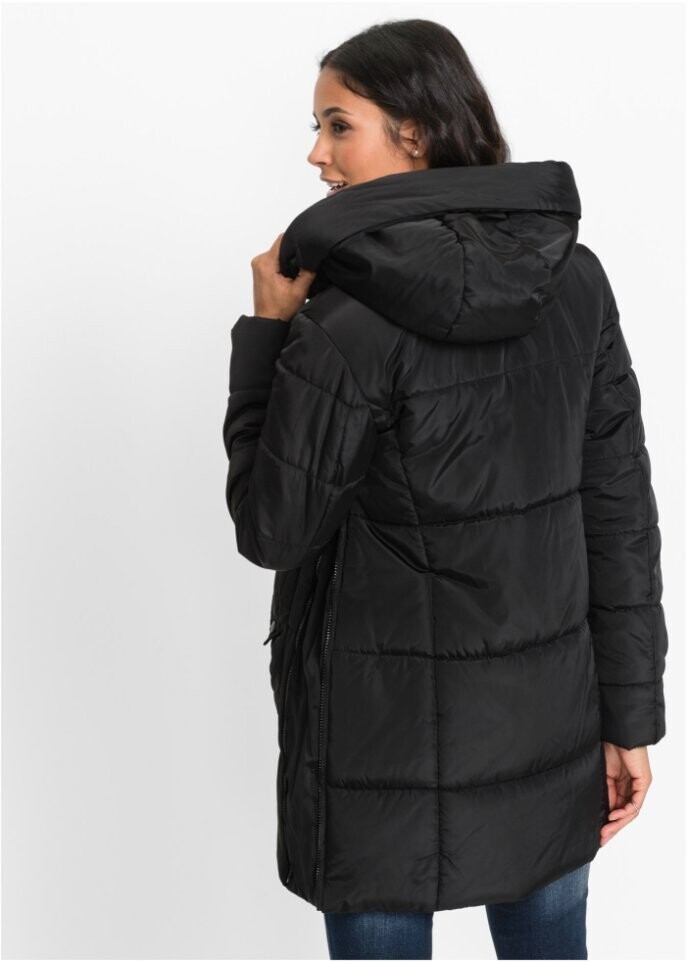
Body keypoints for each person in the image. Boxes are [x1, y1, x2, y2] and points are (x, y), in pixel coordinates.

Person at [222, 18, 668, 961]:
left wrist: (265, 332)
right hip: (548, 730)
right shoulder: (575, 283)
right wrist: (627, 718)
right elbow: (618, 512)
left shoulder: (344, 321)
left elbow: (273, 528)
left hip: (378, 748)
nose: (315, 154)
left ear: (415, 133)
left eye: (337, 125)